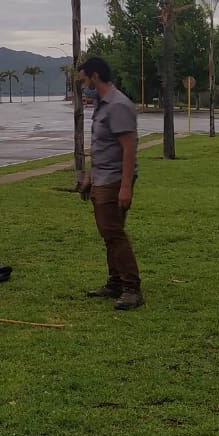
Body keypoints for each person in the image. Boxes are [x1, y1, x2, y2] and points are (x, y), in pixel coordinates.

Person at [77, 56, 143, 310]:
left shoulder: (117, 105)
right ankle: (115, 282)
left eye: (84, 80)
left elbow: (128, 149)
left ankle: (131, 288)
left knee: (113, 232)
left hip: (115, 180)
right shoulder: (102, 105)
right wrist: (90, 178)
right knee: (109, 233)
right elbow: (102, 148)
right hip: (103, 178)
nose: (83, 86)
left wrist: (125, 187)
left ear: (95, 76)